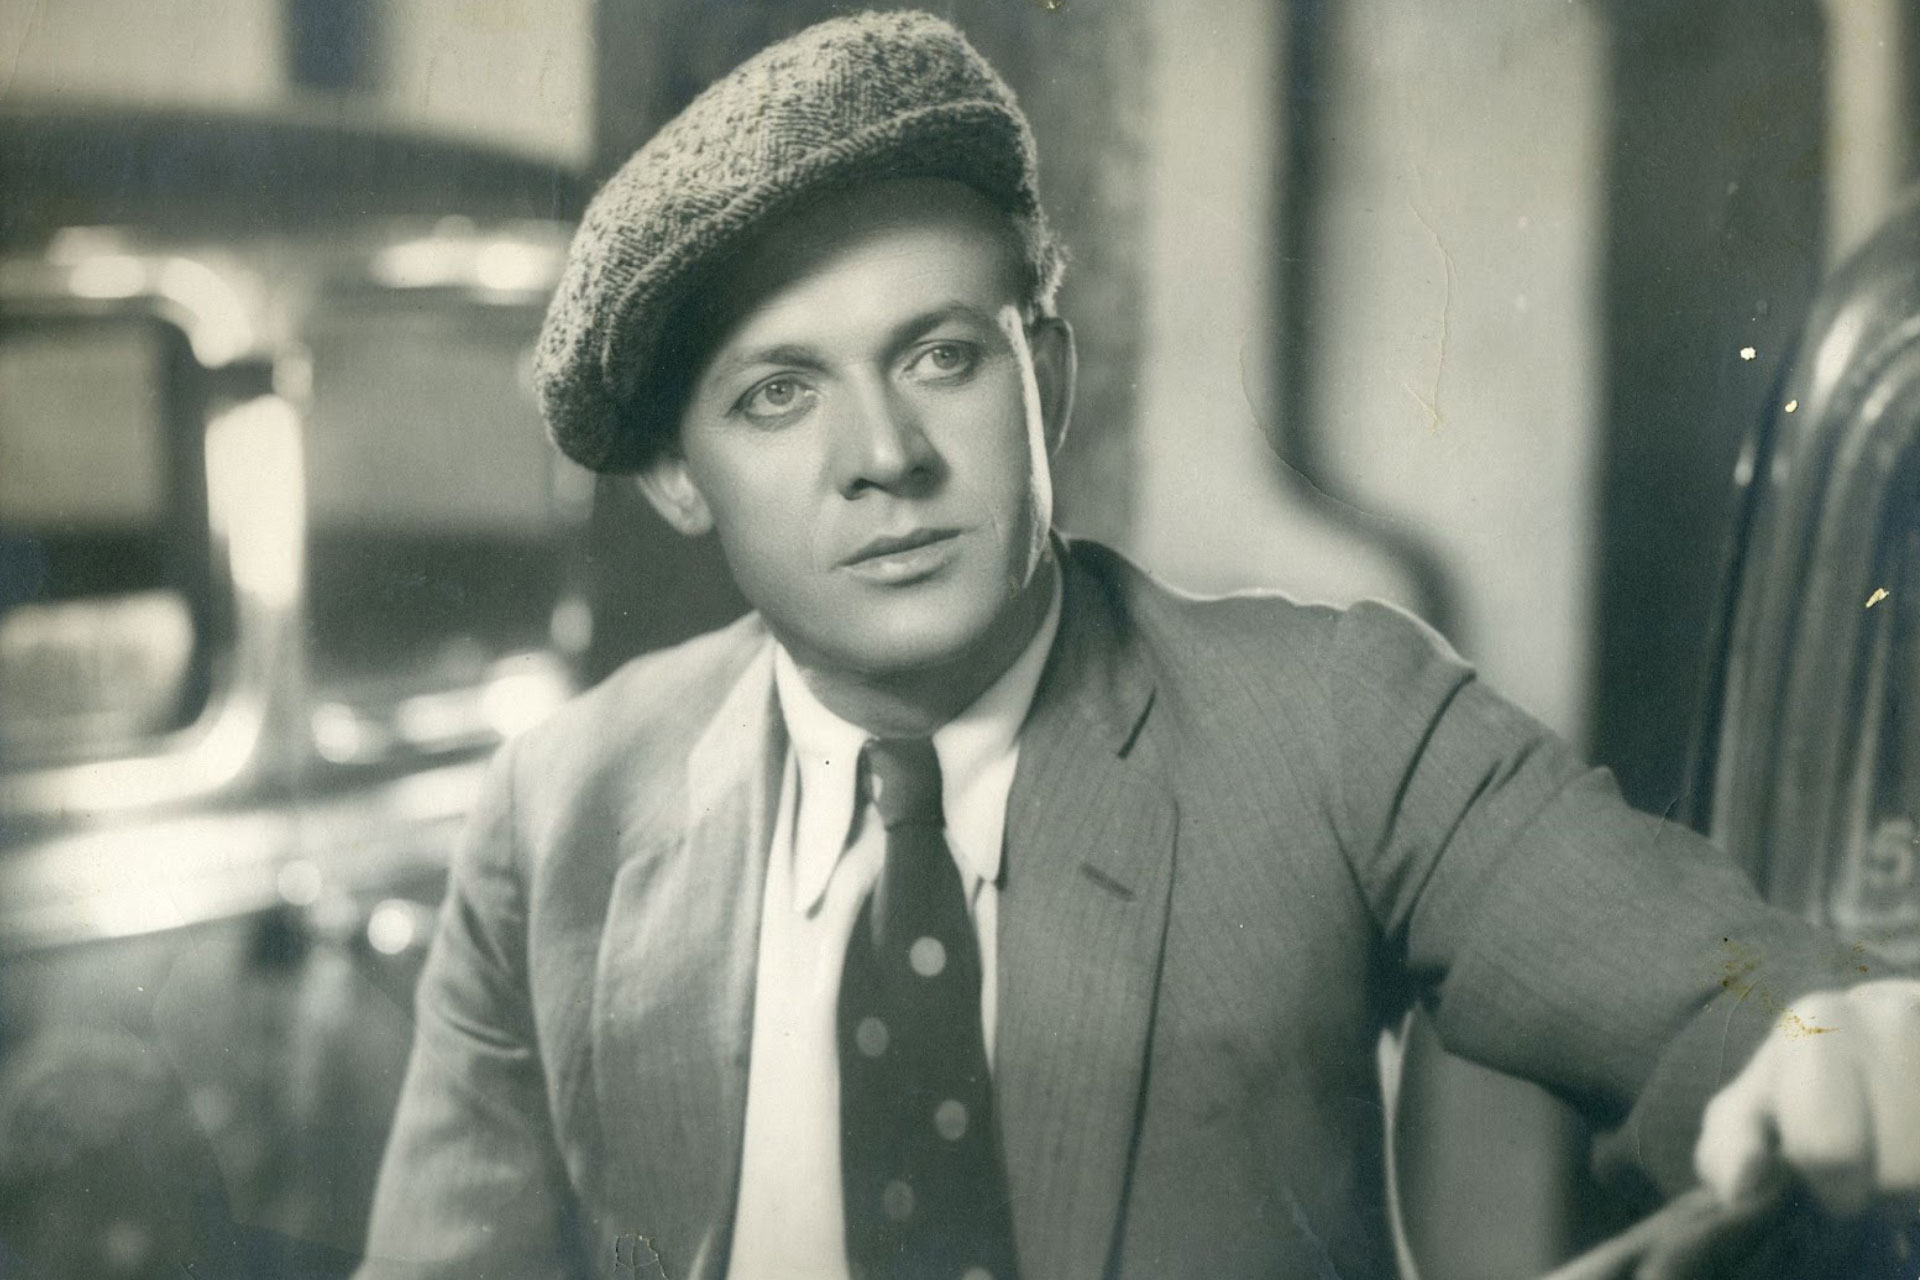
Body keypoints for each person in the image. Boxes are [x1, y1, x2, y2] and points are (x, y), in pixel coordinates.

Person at [358, 12, 1920, 1280]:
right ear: (680, 482)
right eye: (780, 395)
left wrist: (1828, 1040)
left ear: (1045, 375)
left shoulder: (1332, 718)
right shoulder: (558, 817)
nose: (883, 456)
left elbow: (1711, 996)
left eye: (941, 357)